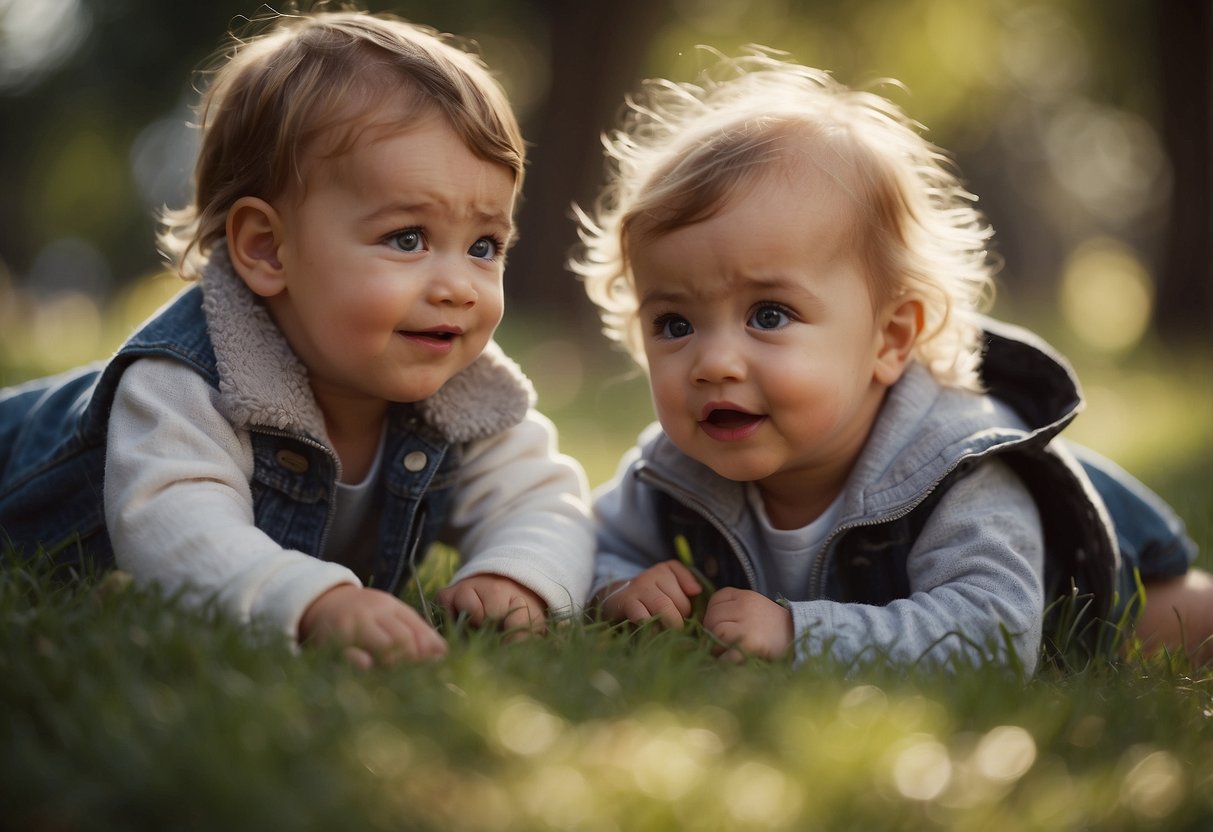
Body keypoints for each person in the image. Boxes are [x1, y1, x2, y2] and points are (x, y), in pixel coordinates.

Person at [571, 49, 1212, 672]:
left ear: (890, 339)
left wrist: (800, 633)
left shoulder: (957, 469)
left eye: (768, 315)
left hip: (1115, 602)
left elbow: (993, 632)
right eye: (674, 323)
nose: (713, 362)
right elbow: (588, 547)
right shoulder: (675, 468)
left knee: (1184, 624)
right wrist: (618, 588)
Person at [0, 9, 595, 668]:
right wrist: (310, 602)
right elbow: (176, 527)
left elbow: (545, 500)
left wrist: (516, 577)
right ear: (267, 249)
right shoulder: (184, 384)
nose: (458, 286)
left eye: (484, 245)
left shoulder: (466, 389)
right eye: (407, 238)